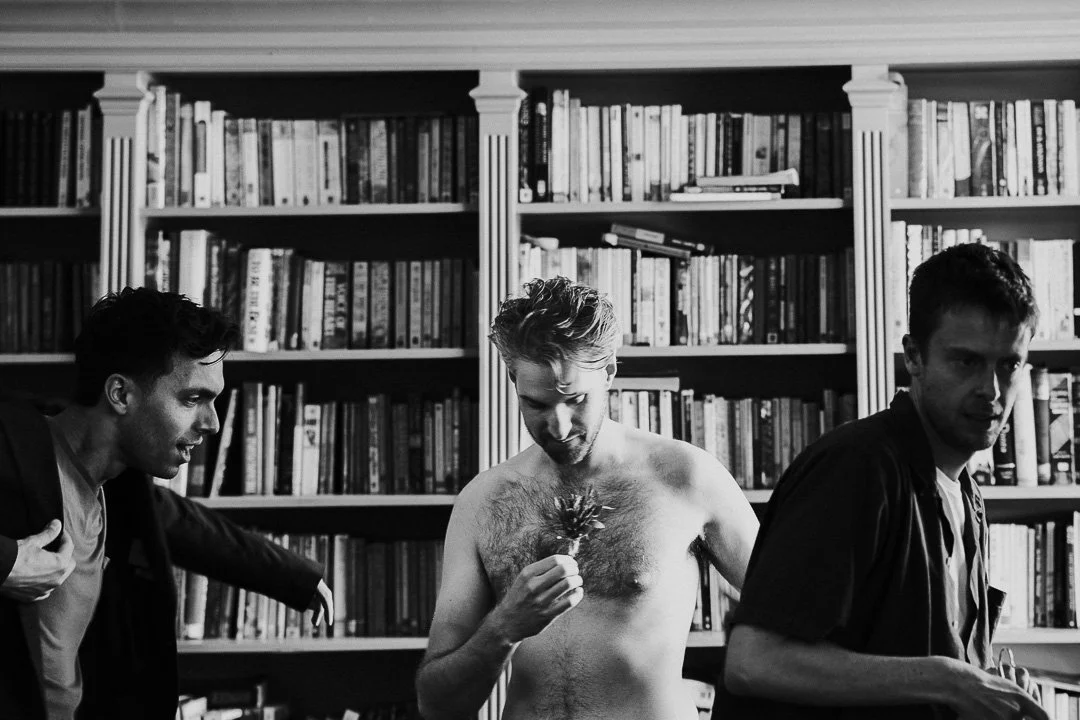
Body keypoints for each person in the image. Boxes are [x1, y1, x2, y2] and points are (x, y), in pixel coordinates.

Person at [720, 243, 1048, 720]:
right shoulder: (857, 467)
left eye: (1008, 364)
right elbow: (753, 661)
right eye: (966, 361)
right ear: (914, 356)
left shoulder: (965, 493)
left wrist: (988, 690)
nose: (991, 390)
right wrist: (950, 680)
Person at [415, 276, 759, 720]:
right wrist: (503, 627)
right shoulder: (483, 502)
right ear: (511, 379)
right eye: (536, 405)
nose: (557, 427)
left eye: (575, 399)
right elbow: (437, 706)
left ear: (610, 371)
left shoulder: (686, 477)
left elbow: (794, 626)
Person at [0, 287, 334, 720]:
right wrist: (6, 561)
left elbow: (188, 527)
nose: (212, 424)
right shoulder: (12, 446)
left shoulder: (118, 490)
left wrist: (296, 577)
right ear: (120, 394)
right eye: (193, 399)